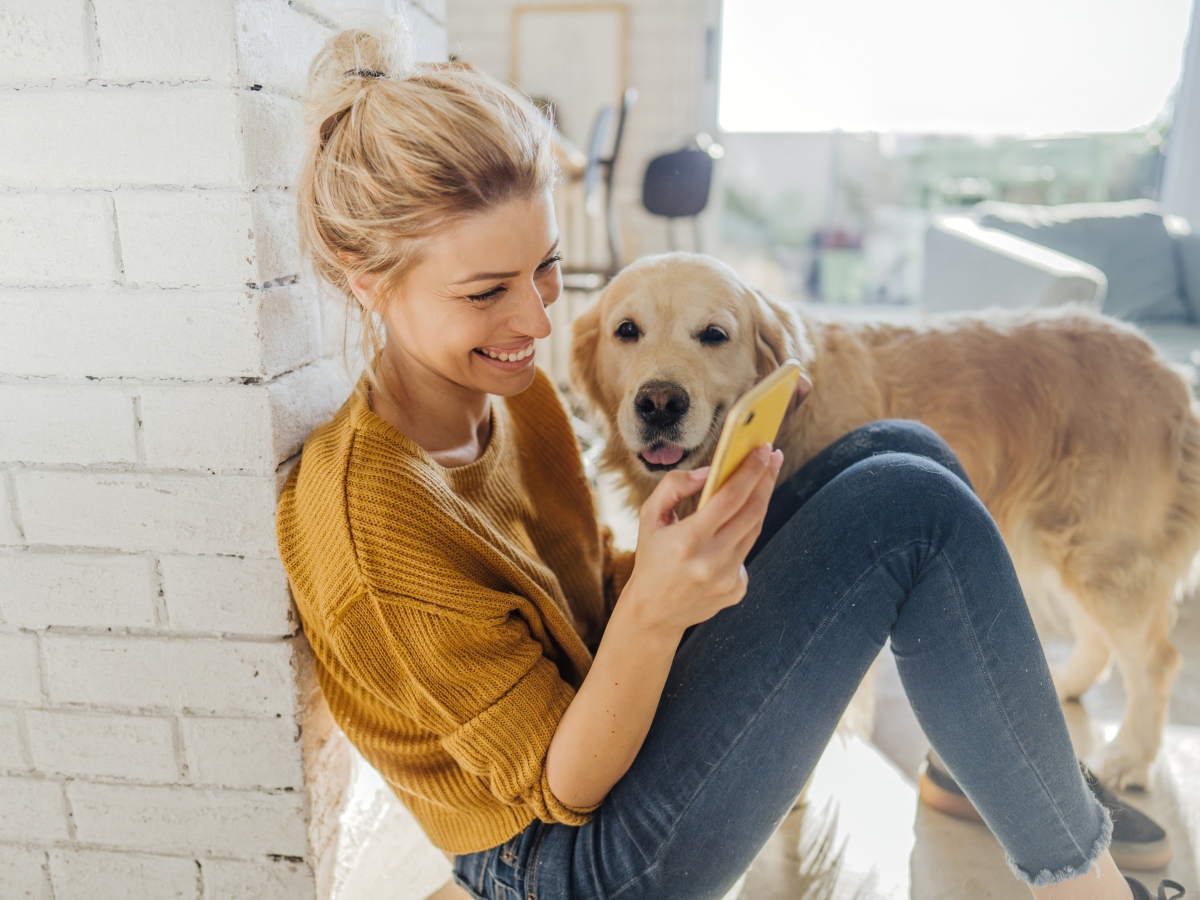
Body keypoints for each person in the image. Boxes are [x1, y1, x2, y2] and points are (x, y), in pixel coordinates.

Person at [276, 25, 1185, 900]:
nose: (539, 322)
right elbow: (563, 787)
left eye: (544, 270)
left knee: (897, 453)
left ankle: (1002, 777)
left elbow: (582, 591)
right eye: (487, 292)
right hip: (568, 862)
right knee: (906, 507)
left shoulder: (510, 399)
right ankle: (1088, 888)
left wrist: (667, 565)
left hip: (610, 749)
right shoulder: (373, 518)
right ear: (370, 282)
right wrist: (663, 608)